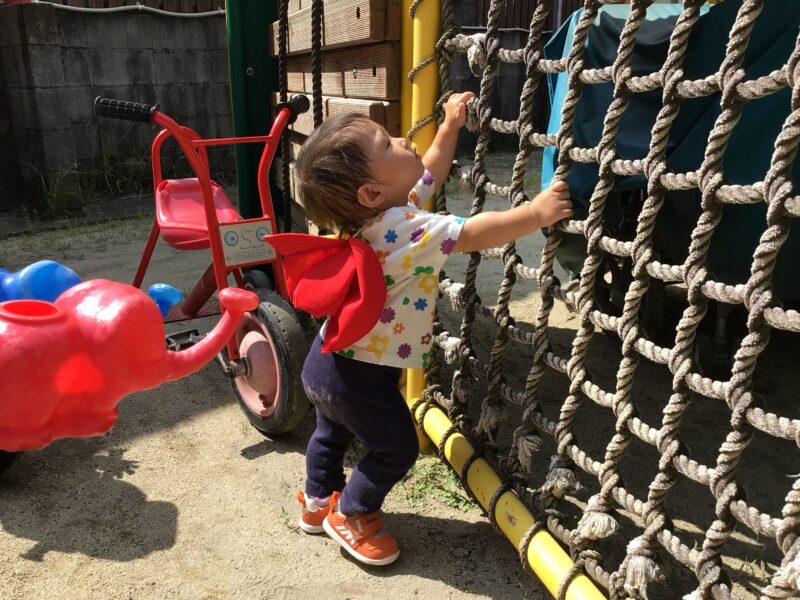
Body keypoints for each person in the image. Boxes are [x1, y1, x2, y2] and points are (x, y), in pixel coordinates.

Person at [292, 92, 572, 566]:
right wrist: (535, 214)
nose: (402, 139)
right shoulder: (406, 229)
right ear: (371, 193)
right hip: (359, 375)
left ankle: (318, 501)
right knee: (396, 447)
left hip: (325, 362)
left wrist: (448, 127)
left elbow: (428, 175)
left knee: (330, 431)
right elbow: (475, 232)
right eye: (387, 144)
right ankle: (353, 513)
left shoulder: (377, 221)